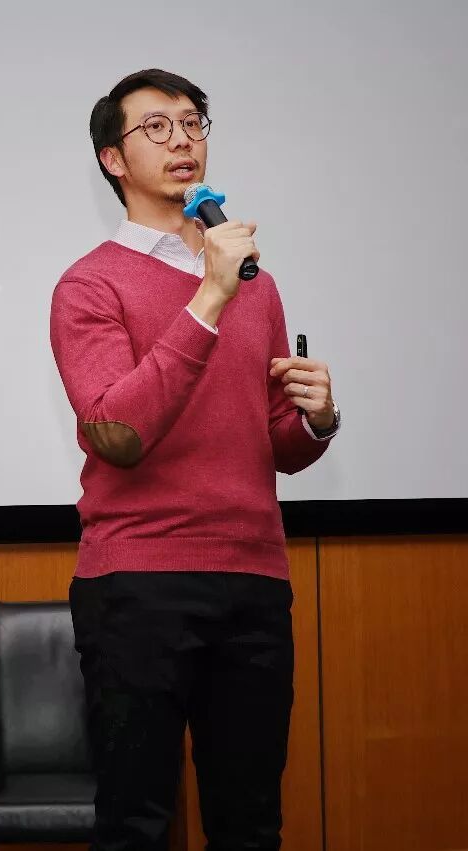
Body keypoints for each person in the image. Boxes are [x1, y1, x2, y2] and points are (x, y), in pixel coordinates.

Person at [49, 69, 341, 851]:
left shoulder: (257, 286)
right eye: (157, 126)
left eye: (192, 122)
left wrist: (317, 420)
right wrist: (208, 296)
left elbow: (273, 442)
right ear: (114, 159)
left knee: (250, 825)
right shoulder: (89, 285)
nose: (182, 139)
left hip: (254, 580)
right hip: (137, 584)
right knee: (136, 824)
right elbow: (117, 431)